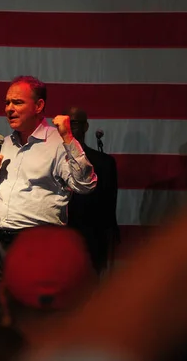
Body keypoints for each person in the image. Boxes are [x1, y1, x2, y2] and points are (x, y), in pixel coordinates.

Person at [0, 76, 97, 322]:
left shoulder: (57, 142)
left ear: (39, 106)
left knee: (28, 320)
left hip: (35, 245)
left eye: (17, 102)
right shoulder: (5, 144)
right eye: (7, 102)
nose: (9, 109)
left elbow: (86, 185)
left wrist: (68, 139)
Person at [64, 107, 119, 274]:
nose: (69, 128)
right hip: (58, 240)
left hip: (91, 240)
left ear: (85, 127)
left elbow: (109, 209)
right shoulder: (51, 157)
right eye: (66, 124)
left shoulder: (103, 162)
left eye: (73, 123)